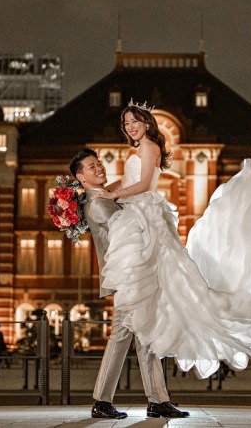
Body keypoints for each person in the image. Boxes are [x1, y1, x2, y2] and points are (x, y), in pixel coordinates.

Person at [89, 100, 251, 379]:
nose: (130, 127)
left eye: (135, 121)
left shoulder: (150, 147)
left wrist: (110, 196)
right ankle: (154, 389)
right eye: (126, 124)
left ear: (146, 122)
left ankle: (151, 380)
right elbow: (125, 180)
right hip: (138, 218)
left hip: (146, 217)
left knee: (163, 293)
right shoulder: (138, 149)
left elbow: (143, 184)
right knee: (154, 294)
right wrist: (100, 191)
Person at [70, 148, 188, 420]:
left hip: (133, 276)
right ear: (81, 177)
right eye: (91, 167)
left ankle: (155, 400)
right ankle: (105, 400)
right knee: (124, 335)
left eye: (98, 163)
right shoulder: (99, 204)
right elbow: (133, 228)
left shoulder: (102, 199)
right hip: (128, 277)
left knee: (142, 333)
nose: (99, 168)